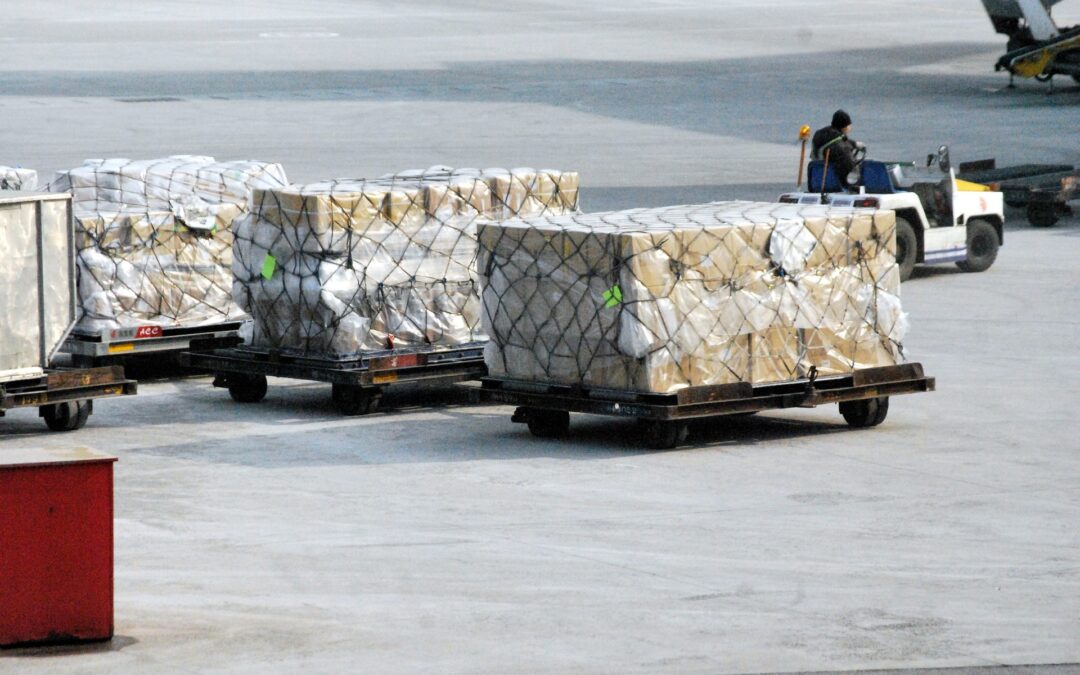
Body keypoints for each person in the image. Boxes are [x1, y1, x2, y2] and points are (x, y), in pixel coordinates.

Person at [811, 110, 863, 189]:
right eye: (849, 125)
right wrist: (854, 185)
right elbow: (850, 169)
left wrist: (854, 144)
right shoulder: (842, 148)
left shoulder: (822, 135)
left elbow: (837, 140)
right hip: (835, 183)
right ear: (844, 126)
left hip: (817, 177)